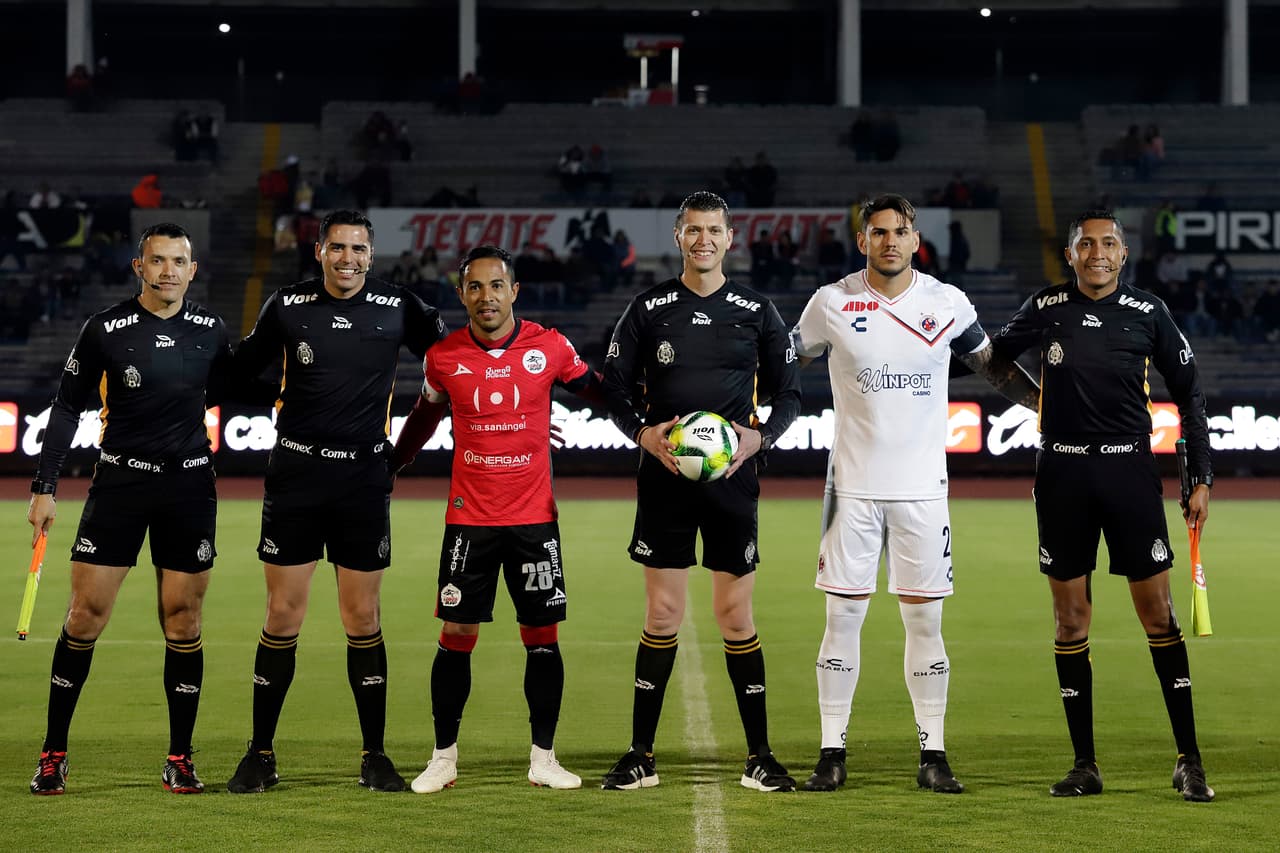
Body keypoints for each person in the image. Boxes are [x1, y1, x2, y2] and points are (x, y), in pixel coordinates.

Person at [789, 194, 1039, 795]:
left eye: (900, 232)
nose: (890, 242)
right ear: (862, 240)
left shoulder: (946, 303)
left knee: (925, 623)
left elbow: (992, 366)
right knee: (841, 618)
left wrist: (1049, 406)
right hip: (849, 490)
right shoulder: (831, 302)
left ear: (915, 238)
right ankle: (831, 751)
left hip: (923, 493)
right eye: (878, 233)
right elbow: (780, 360)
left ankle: (934, 753)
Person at [990, 209, 1215, 802]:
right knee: (1070, 621)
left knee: (1158, 615)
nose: (1097, 252)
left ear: (1123, 254)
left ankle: (1189, 759)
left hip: (1129, 472)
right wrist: (1037, 399)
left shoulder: (1149, 313)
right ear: (1070, 255)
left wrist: (1200, 478)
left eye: (1108, 243)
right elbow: (991, 359)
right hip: (1061, 472)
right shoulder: (1045, 308)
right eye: (1086, 244)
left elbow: (1190, 394)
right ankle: (1084, 764)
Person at [226, 209, 448, 794]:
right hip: (295, 477)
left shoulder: (400, 307)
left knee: (363, 618)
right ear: (319, 251)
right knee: (282, 616)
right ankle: (261, 753)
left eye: (358, 248)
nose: (348, 257)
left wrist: (516, 407)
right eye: (337, 247)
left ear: (371, 256)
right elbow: (233, 371)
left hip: (361, 481)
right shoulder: (286, 306)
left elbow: (459, 366)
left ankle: (374, 755)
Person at [599, 191, 802, 793]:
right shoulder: (649, 307)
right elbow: (613, 386)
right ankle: (640, 755)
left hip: (732, 483)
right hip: (665, 480)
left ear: (730, 239)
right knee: (662, 613)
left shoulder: (757, 310)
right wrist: (642, 431)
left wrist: (758, 438)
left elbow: (790, 394)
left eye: (714, 230)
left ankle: (759, 756)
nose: (704, 240)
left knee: (734, 614)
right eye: (694, 231)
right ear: (678, 236)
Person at [391, 245, 606, 794]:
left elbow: (598, 390)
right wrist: (393, 462)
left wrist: (652, 416)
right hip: (470, 522)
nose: (487, 297)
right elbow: (423, 416)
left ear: (515, 291)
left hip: (534, 520)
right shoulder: (443, 357)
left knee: (541, 636)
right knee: (457, 632)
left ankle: (544, 757)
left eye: (496, 286)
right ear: (462, 295)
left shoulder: (550, 346)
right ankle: (443, 757)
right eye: (475, 288)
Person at [27, 223, 233, 795]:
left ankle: (180, 756)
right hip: (119, 485)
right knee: (84, 616)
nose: (169, 270)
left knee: (184, 621)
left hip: (189, 488)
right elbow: (67, 406)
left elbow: (222, 388)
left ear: (193, 270)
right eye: (158, 260)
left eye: (180, 261)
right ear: (138, 267)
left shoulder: (212, 331)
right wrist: (45, 487)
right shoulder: (105, 329)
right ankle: (53, 752)